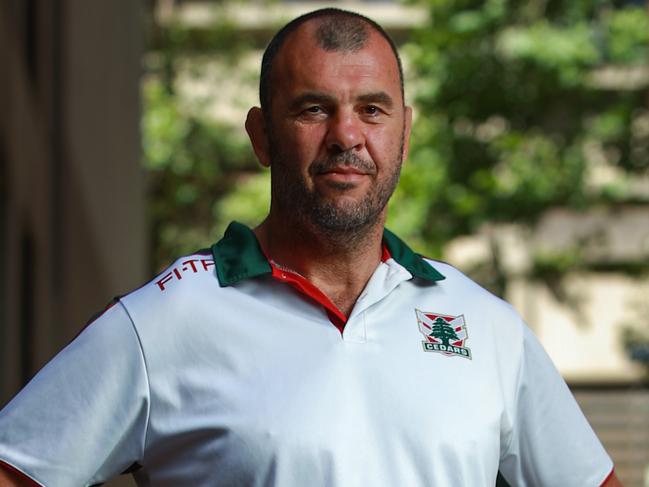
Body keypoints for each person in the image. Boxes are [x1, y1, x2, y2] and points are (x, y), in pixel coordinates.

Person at [0, 8, 622, 487]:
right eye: (312, 110)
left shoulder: (487, 329)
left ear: (405, 134)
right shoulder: (162, 321)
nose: (346, 135)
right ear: (261, 135)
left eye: (372, 110)